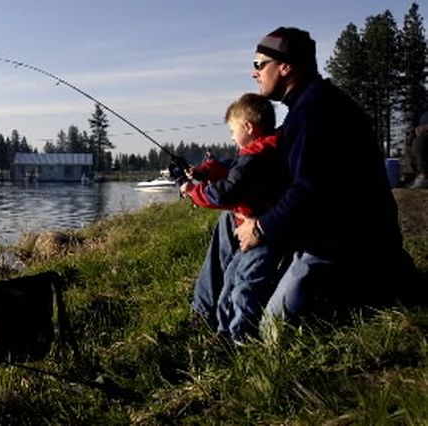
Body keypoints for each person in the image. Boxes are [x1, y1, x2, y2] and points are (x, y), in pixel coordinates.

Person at [231, 27, 418, 327]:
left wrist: (261, 227)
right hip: (326, 235)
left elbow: (309, 191)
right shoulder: (306, 106)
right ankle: (209, 317)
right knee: (231, 224)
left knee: (273, 329)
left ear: (285, 66)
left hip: (345, 247)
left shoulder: (315, 112)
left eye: (259, 64)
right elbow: (282, 168)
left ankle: (381, 289)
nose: (254, 73)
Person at [183, 93, 287, 343]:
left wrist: (194, 192)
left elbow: (228, 191)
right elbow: (232, 167)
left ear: (248, 127)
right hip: (254, 222)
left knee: (242, 281)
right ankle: (215, 324)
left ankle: (234, 337)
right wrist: (205, 170)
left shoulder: (257, 157)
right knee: (234, 276)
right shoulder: (262, 149)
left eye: (233, 131)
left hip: (262, 232)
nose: (231, 137)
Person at [412, 111, 428, 189]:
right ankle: (410, 174)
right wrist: (416, 131)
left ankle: (423, 176)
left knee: (419, 142)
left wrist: (425, 128)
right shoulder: (424, 115)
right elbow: (419, 128)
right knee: (411, 141)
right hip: (424, 136)